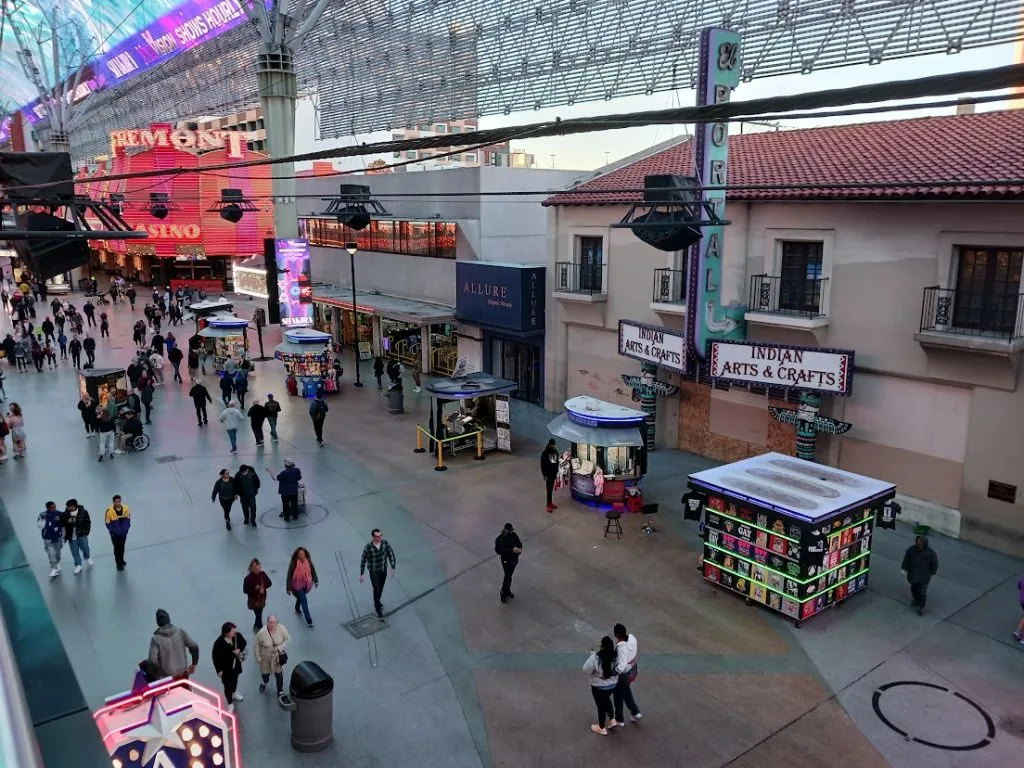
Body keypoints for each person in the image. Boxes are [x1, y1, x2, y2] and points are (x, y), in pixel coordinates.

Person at [148, 609, 200, 680]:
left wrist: (156, 675)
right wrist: (194, 663)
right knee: (183, 690)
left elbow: (152, 661)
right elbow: (194, 647)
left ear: (158, 622)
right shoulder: (180, 632)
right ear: (168, 620)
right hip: (183, 674)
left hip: (166, 678)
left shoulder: (155, 639)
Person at [584, 637, 620, 735]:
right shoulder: (616, 656)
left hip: (598, 687)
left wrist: (591, 656)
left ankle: (601, 727)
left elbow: (586, 669)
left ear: (602, 646)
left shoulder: (596, 657)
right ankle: (612, 719)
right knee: (606, 700)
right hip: (612, 686)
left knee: (600, 706)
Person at [359, 528, 397, 621]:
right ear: (373, 537)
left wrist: (393, 567)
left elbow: (391, 554)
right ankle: (379, 611)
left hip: (383, 569)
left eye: (381, 535)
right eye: (377, 536)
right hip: (373, 571)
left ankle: (377, 601)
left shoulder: (385, 543)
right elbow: (363, 559)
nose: (380, 538)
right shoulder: (368, 547)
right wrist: (362, 573)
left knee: (381, 587)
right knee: (376, 588)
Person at [212, 622, 248, 711]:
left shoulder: (237, 636)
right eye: (232, 631)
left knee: (235, 680)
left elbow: (244, 642)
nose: (234, 632)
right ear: (226, 632)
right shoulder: (219, 643)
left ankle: (234, 693)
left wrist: (239, 649)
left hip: (236, 665)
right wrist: (218, 670)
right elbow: (215, 657)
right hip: (226, 669)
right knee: (227, 685)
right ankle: (230, 703)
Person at [254, 614, 290, 703]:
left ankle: (280, 690)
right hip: (265, 660)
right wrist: (258, 657)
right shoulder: (261, 633)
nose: (271, 624)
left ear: (277, 623)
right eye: (270, 622)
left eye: (273, 622)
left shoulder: (281, 629)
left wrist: (280, 647)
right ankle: (264, 682)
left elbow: (287, 639)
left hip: (277, 659)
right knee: (265, 675)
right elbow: (256, 646)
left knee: (279, 675)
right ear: (267, 622)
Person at [612, 623, 642, 726]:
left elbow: (621, 666)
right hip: (633, 670)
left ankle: (619, 719)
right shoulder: (632, 638)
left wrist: (612, 673)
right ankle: (635, 712)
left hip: (623, 675)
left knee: (618, 696)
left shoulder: (621, 648)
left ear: (616, 635)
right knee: (626, 690)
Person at [901, 535, 939, 615]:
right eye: (918, 543)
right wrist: (904, 568)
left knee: (922, 592)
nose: (919, 545)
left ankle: (921, 607)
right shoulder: (911, 550)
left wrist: (932, 572)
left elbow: (934, 563)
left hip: (924, 577)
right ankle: (916, 600)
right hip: (914, 575)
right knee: (914, 589)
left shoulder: (930, 553)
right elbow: (906, 559)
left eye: (921, 543)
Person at [286, 547, 319, 628]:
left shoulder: (308, 561)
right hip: (296, 586)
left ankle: (297, 608)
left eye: (303, 554)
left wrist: (316, 580)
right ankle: (308, 619)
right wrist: (288, 588)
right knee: (304, 600)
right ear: (297, 555)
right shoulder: (294, 563)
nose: (301, 555)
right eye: (300, 554)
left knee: (301, 598)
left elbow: (313, 570)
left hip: (306, 584)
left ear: (305, 554)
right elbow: (289, 576)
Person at [60, 499, 93, 575]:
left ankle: (87, 557)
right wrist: (67, 522)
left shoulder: (83, 512)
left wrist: (86, 531)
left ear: (74, 506)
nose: (68, 508)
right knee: (74, 552)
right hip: (71, 537)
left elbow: (87, 522)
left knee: (85, 548)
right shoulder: (65, 514)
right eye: (67, 506)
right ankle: (78, 565)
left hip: (82, 535)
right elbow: (62, 524)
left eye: (69, 506)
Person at [494, 522, 523, 604]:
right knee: (507, 576)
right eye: (509, 531)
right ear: (505, 530)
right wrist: (512, 550)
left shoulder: (514, 535)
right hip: (506, 560)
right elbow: (500, 550)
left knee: (509, 576)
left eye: (511, 530)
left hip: (514, 559)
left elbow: (519, 543)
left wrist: (520, 549)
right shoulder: (500, 539)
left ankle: (507, 590)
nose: (511, 532)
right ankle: (503, 593)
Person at [243, 558, 272, 631]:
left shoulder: (262, 574)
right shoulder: (248, 578)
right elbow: (245, 590)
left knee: (259, 614)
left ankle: (256, 625)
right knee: (259, 615)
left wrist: (263, 587)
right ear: (251, 568)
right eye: (256, 569)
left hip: (262, 599)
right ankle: (260, 629)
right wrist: (256, 590)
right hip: (253, 601)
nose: (258, 570)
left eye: (259, 568)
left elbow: (269, 583)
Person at [38, 501, 64, 578]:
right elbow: (39, 526)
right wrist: (43, 520)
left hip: (58, 537)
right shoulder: (42, 515)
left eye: (55, 507)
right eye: (52, 507)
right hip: (47, 538)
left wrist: (64, 535)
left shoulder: (59, 514)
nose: (54, 508)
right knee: (51, 553)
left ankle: (57, 563)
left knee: (57, 552)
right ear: (48, 508)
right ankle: (54, 569)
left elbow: (63, 526)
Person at [104, 495, 131, 571]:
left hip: (123, 534)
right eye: (116, 502)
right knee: (117, 548)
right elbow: (107, 523)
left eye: (119, 501)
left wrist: (125, 530)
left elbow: (128, 520)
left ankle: (121, 560)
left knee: (122, 547)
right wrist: (113, 531)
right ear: (113, 502)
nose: (117, 503)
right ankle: (118, 563)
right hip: (115, 534)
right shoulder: (109, 511)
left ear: (120, 501)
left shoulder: (126, 508)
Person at [541, 438, 560, 512]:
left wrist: (556, 471)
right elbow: (543, 465)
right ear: (550, 444)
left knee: (551, 489)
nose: (554, 446)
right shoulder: (545, 453)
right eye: (553, 445)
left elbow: (555, 462)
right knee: (549, 489)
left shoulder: (554, 451)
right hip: (548, 474)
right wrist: (544, 475)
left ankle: (550, 503)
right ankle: (548, 505)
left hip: (553, 473)